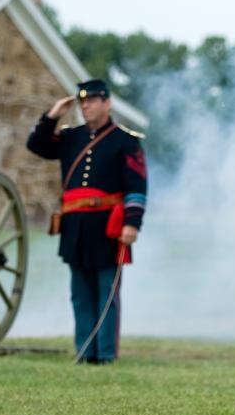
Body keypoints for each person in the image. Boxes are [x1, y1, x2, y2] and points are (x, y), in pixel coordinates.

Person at [26, 79, 147, 364]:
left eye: (92, 101)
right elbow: (36, 144)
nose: (86, 106)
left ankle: (104, 353)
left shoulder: (125, 140)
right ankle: (84, 350)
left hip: (108, 226)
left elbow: (137, 185)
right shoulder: (70, 137)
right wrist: (52, 115)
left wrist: (132, 223)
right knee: (80, 293)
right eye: (82, 102)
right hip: (75, 226)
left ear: (107, 103)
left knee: (107, 292)